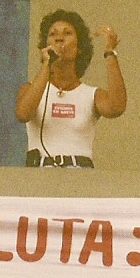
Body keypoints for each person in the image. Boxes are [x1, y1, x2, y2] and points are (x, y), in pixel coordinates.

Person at [15, 9, 126, 168]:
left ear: (79, 48)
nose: (59, 38)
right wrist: (47, 64)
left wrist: (110, 53)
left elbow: (116, 107)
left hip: (80, 174)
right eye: (53, 34)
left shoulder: (91, 94)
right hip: (40, 174)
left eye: (67, 33)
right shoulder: (31, 89)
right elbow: (23, 113)